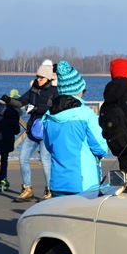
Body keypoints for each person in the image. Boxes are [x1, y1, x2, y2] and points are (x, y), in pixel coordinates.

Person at [43, 60, 109, 195]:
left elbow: (49, 146)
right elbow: (101, 148)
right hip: (83, 184)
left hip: (57, 182)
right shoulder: (86, 114)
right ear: (78, 90)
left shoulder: (48, 116)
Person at [3, 59, 57, 201]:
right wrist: (9, 100)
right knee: (22, 158)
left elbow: (55, 109)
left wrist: (37, 109)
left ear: (48, 78)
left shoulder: (54, 91)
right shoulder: (34, 89)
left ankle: (50, 190)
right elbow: (21, 101)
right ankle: (27, 189)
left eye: (41, 77)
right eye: (37, 76)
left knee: (45, 160)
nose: (38, 79)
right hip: (32, 130)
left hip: (46, 131)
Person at [0, 89, 21, 191]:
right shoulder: (14, 113)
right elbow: (16, 130)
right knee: (4, 160)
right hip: (7, 139)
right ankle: (3, 179)